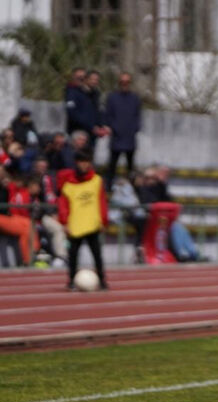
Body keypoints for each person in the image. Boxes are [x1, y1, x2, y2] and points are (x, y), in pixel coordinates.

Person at [58, 150, 108, 291]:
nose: (84, 165)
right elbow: (63, 205)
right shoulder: (68, 184)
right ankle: (71, 280)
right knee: (73, 255)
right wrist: (64, 222)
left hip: (92, 223)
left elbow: (102, 201)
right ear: (76, 163)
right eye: (81, 161)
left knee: (97, 255)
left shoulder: (97, 181)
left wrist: (103, 220)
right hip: (75, 224)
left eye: (87, 162)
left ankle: (102, 280)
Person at [104, 72, 142, 193]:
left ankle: (132, 190)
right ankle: (108, 189)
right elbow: (108, 115)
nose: (124, 84)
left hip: (130, 137)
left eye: (127, 82)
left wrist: (135, 128)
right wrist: (113, 128)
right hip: (116, 137)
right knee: (112, 166)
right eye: (122, 82)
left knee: (130, 167)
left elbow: (137, 116)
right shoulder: (112, 97)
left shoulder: (135, 98)